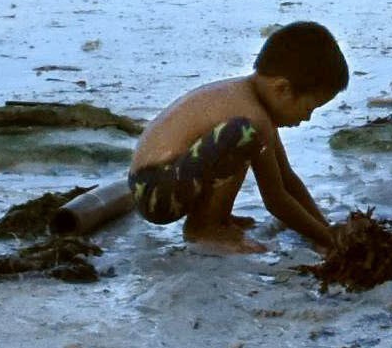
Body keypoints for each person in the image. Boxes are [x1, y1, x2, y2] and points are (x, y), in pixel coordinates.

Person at [125, 20, 351, 250]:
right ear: (282, 89)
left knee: (244, 136)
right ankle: (205, 227)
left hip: (158, 182)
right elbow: (275, 199)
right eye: (308, 108)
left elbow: (286, 178)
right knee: (243, 134)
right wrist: (328, 240)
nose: (307, 118)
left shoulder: (256, 104)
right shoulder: (253, 118)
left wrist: (325, 227)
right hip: (155, 192)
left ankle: (214, 217)